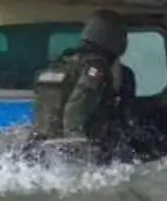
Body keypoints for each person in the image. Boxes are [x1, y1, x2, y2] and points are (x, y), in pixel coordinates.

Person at [26, 9, 130, 160]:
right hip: (67, 150)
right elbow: (77, 105)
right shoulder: (96, 67)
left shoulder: (63, 62)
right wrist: (77, 145)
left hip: (41, 144)